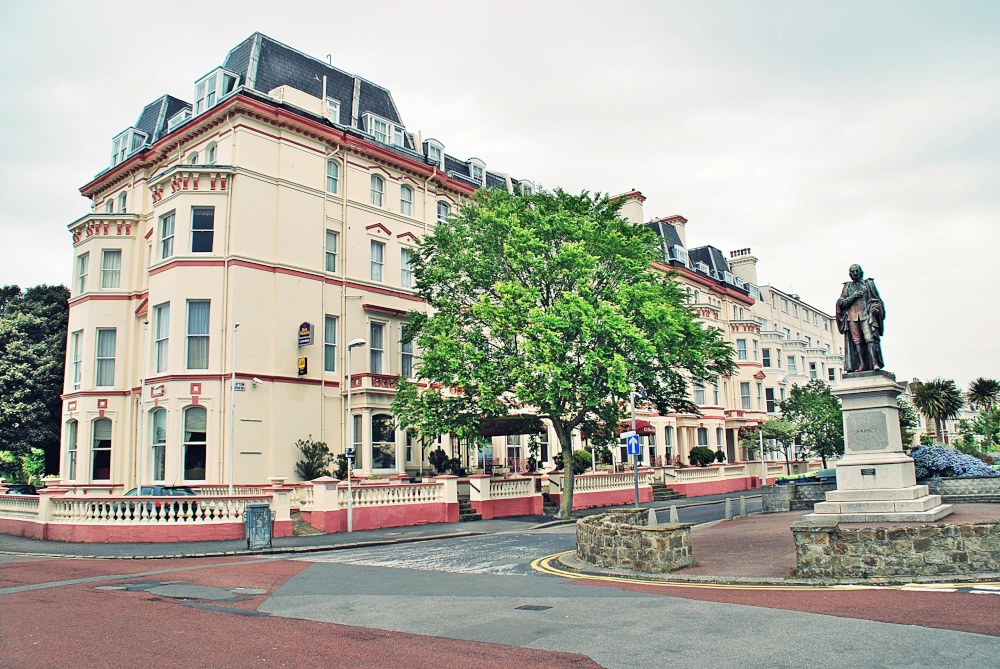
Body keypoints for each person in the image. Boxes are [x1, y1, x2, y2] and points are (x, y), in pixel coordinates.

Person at [835, 264, 885, 372]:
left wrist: (876, 308)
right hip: (852, 317)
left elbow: (876, 300)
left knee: (869, 338)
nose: (855, 273)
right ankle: (862, 364)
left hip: (866, 316)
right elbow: (841, 303)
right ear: (850, 274)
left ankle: (874, 362)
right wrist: (853, 296)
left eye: (857, 271)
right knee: (857, 341)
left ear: (861, 272)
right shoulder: (847, 287)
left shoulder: (868, 284)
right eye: (852, 271)